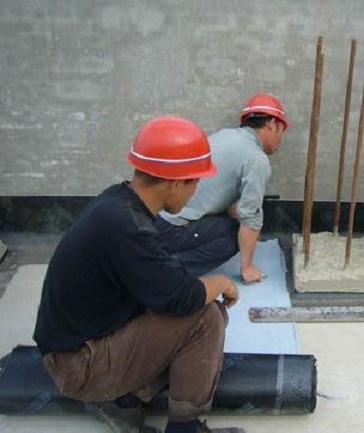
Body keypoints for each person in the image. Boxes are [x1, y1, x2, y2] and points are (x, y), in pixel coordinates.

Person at [33, 116, 241, 433]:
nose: (196, 190)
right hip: (80, 366)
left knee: (205, 307)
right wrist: (223, 282)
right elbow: (183, 297)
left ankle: (124, 402)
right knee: (205, 316)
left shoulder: (118, 203)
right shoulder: (128, 227)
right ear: (174, 182)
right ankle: (183, 428)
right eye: (195, 182)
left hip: (78, 346)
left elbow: (163, 283)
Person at [156, 93, 288, 284]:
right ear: (270, 123)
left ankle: (158, 256)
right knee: (235, 235)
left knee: (234, 220)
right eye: (281, 131)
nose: (280, 140)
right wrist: (247, 268)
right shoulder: (256, 159)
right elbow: (250, 217)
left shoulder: (224, 136)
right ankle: (167, 271)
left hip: (156, 220)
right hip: (173, 230)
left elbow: (223, 197)